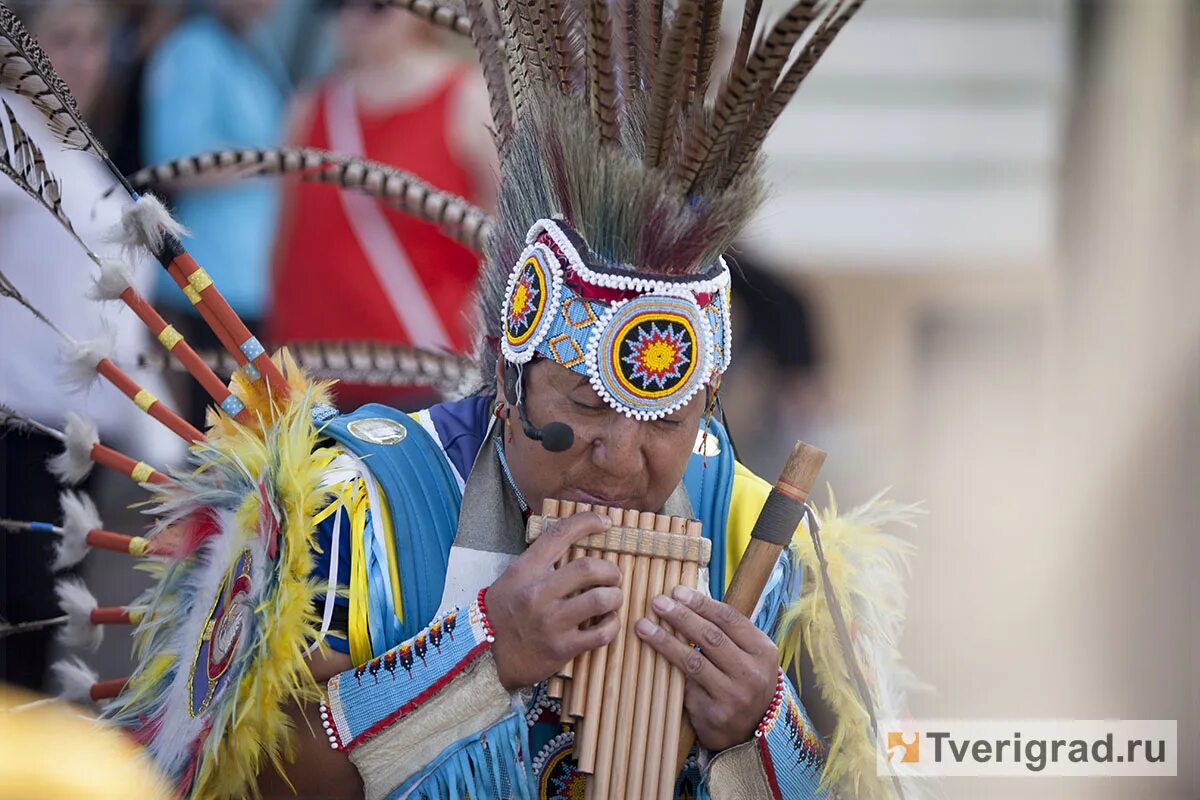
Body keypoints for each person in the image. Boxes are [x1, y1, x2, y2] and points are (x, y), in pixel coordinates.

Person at [1, 3, 916, 799]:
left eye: (666, 422)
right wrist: (480, 656)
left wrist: (765, 731)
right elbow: (249, 780)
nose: (620, 457)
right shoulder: (347, 505)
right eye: (587, 406)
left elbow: (872, 778)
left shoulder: (763, 538)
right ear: (511, 378)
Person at [0, 0, 178, 691]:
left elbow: (119, 321)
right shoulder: (11, 130)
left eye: (93, 41)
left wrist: (169, 449)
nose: (76, 59)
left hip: (72, 446)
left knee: (35, 638)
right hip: (15, 437)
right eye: (59, 40)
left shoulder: (80, 153)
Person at [268, 0, 496, 408]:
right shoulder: (307, 108)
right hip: (314, 387)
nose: (353, 18)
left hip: (428, 381)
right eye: (335, 5)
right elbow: (286, 242)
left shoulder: (468, 101)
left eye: (375, 6)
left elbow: (508, 245)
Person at [141, 0, 286, 394]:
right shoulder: (191, 48)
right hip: (209, 284)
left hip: (255, 281)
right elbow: (176, 161)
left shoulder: (255, 43)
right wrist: (278, 162)